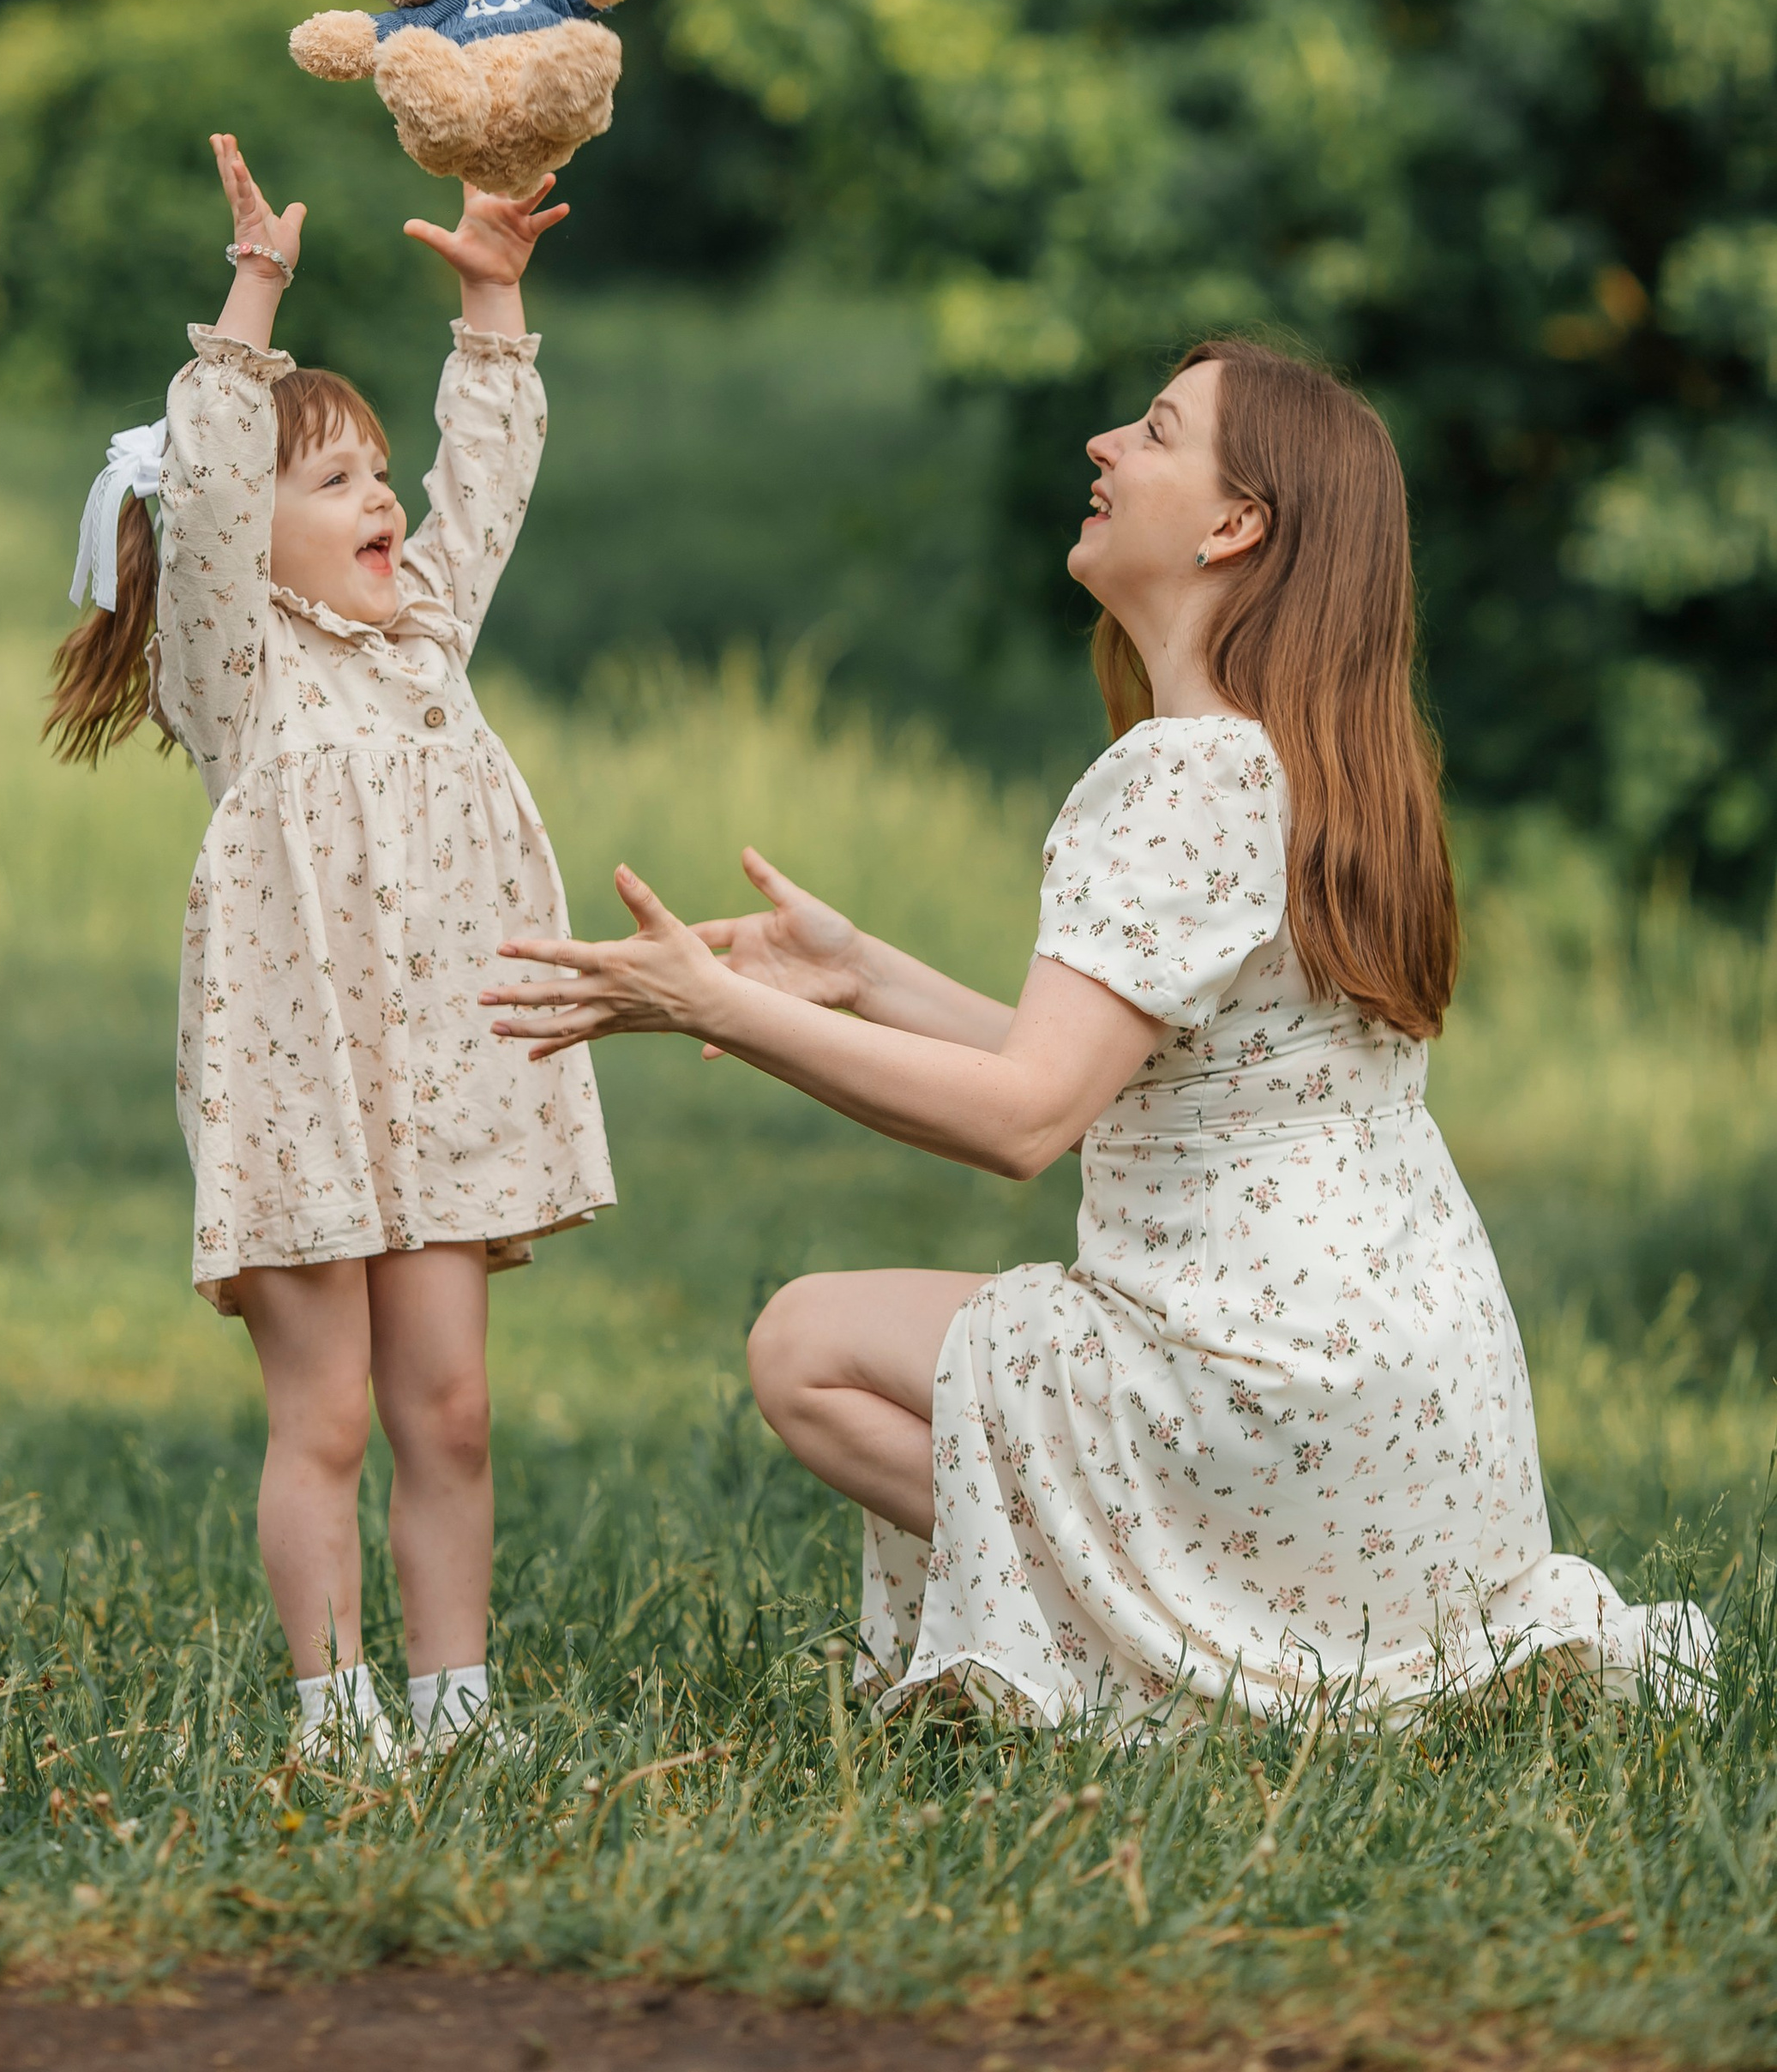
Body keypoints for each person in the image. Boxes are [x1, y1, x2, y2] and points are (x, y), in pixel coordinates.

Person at [483, 338, 1710, 1728]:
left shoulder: (1177, 777)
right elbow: (1139, 1073)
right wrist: (856, 971)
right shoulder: (1299, 760)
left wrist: (717, 1009)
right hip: (1418, 1443)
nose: (1104, 446)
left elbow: (1023, 1118)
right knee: (903, 1348)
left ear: (1237, 523)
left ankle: (1161, 1658)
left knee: (804, 1347)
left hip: (1263, 1402)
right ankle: (1254, 1638)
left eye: (1157, 431)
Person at [48, 135, 614, 1765]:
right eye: (342, 481)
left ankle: (456, 1708)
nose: (384, 501)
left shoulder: (423, 629)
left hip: (437, 1077)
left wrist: (494, 305)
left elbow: (484, 480)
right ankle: (334, 1711)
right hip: (301, 1086)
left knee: (453, 1409)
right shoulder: (238, 673)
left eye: (379, 473)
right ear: (246, 535)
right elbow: (217, 491)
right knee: (334, 1414)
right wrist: (253, 298)